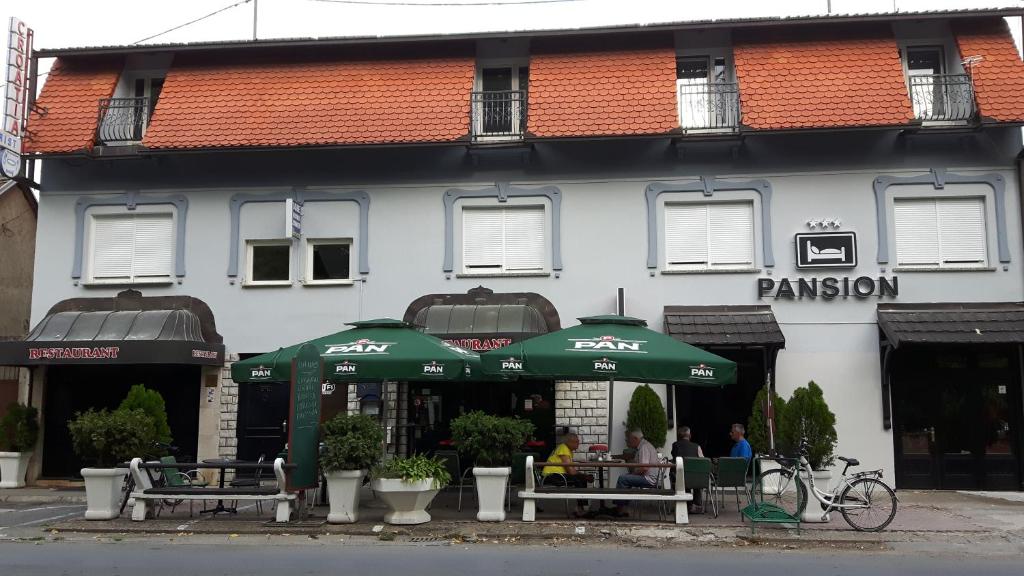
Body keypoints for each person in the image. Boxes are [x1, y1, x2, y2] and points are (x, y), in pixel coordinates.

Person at [611, 430, 660, 518]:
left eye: (629, 440)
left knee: (623, 479)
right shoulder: (644, 445)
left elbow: (644, 468)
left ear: (635, 438)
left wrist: (633, 473)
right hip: (651, 478)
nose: (628, 442)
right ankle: (623, 509)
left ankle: (620, 510)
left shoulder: (644, 447)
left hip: (649, 479)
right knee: (626, 479)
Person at [542, 432, 592, 516]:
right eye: (576, 442)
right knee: (579, 480)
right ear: (570, 442)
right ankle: (580, 508)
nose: (578, 444)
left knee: (581, 479)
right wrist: (584, 476)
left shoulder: (567, 449)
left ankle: (581, 507)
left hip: (557, 475)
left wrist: (583, 476)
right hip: (552, 476)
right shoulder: (563, 448)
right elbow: (571, 471)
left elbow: (571, 470)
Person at [670, 426, 704, 512]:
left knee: (682, 474)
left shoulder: (675, 445)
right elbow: (703, 461)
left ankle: (687, 504)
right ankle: (697, 505)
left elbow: (674, 457)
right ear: (690, 436)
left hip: (679, 477)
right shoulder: (697, 446)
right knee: (696, 476)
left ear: (679, 436)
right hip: (695, 478)